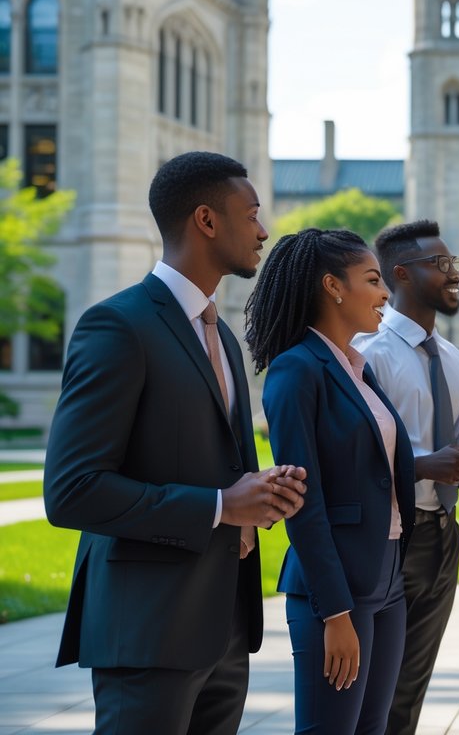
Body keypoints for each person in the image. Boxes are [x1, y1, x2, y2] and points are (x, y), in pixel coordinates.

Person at [42, 151, 308, 735]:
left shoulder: (225, 339)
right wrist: (219, 506)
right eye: (253, 214)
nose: (264, 231)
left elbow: (222, 470)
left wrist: (260, 499)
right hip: (147, 630)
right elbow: (72, 491)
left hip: (226, 628)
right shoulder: (117, 326)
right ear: (207, 221)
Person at [246, 228, 419, 735]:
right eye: (372, 279)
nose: (385, 292)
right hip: (336, 589)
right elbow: (304, 501)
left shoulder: (357, 369)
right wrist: (335, 612)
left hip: (387, 580)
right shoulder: (297, 369)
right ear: (332, 286)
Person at [354, 220, 459, 735]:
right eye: (441, 265)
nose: (453, 274)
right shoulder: (367, 355)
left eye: (454, 263)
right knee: (369, 692)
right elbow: (350, 460)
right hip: (386, 540)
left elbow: (458, 452)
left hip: (441, 538)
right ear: (401, 275)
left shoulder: (457, 362)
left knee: (409, 690)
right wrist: (423, 465)